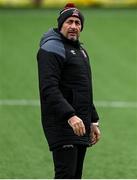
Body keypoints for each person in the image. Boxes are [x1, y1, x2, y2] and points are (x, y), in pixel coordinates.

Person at [37, 3, 101, 179]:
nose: (73, 26)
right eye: (69, 22)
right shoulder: (51, 48)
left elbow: (83, 89)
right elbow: (48, 88)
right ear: (61, 24)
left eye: (77, 23)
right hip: (63, 122)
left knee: (75, 176)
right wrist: (70, 116)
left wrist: (93, 120)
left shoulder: (81, 51)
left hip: (80, 124)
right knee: (66, 175)